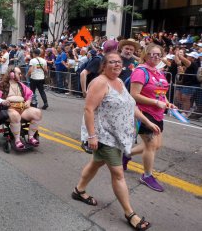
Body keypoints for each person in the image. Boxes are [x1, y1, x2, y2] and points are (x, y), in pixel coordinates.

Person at [73, 52, 158, 230]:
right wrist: (92, 136)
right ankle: (130, 214)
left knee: (96, 163)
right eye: (112, 62)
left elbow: (130, 105)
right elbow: (88, 110)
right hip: (104, 136)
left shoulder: (119, 82)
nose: (117, 65)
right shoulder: (99, 82)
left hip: (118, 135)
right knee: (118, 174)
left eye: (119, 62)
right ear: (103, 66)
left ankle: (78, 190)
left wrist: (147, 121)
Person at [126, 44, 176, 192]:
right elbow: (134, 95)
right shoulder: (140, 71)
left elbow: (161, 92)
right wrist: (156, 102)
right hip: (143, 112)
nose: (156, 57)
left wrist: (167, 102)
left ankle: (126, 154)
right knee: (150, 146)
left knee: (156, 146)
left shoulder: (159, 72)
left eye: (159, 55)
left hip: (158, 113)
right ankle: (147, 176)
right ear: (146, 55)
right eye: (152, 54)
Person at [0, 67, 41, 150]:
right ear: (12, 74)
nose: (21, 75)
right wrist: (2, 101)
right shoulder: (2, 85)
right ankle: (17, 140)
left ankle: (31, 137)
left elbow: (30, 94)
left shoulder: (21, 85)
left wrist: (28, 101)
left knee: (37, 113)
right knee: (15, 115)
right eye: (19, 73)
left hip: (22, 108)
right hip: (8, 109)